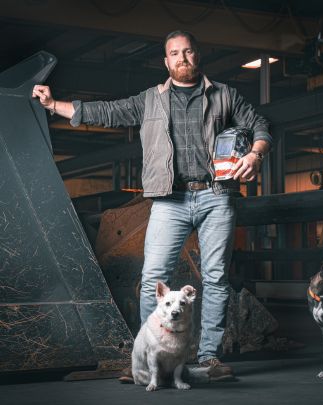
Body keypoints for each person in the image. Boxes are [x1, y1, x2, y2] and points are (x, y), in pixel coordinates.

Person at [32, 30, 272, 380]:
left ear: (197, 56)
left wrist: (255, 154)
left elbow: (260, 125)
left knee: (216, 278)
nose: (182, 59)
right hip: (168, 201)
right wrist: (54, 105)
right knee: (152, 281)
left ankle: (208, 359)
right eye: (175, 53)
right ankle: (147, 360)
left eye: (187, 52)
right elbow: (106, 112)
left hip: (215, 196)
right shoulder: (150, 100)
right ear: (166, 61)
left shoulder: (225, 96)